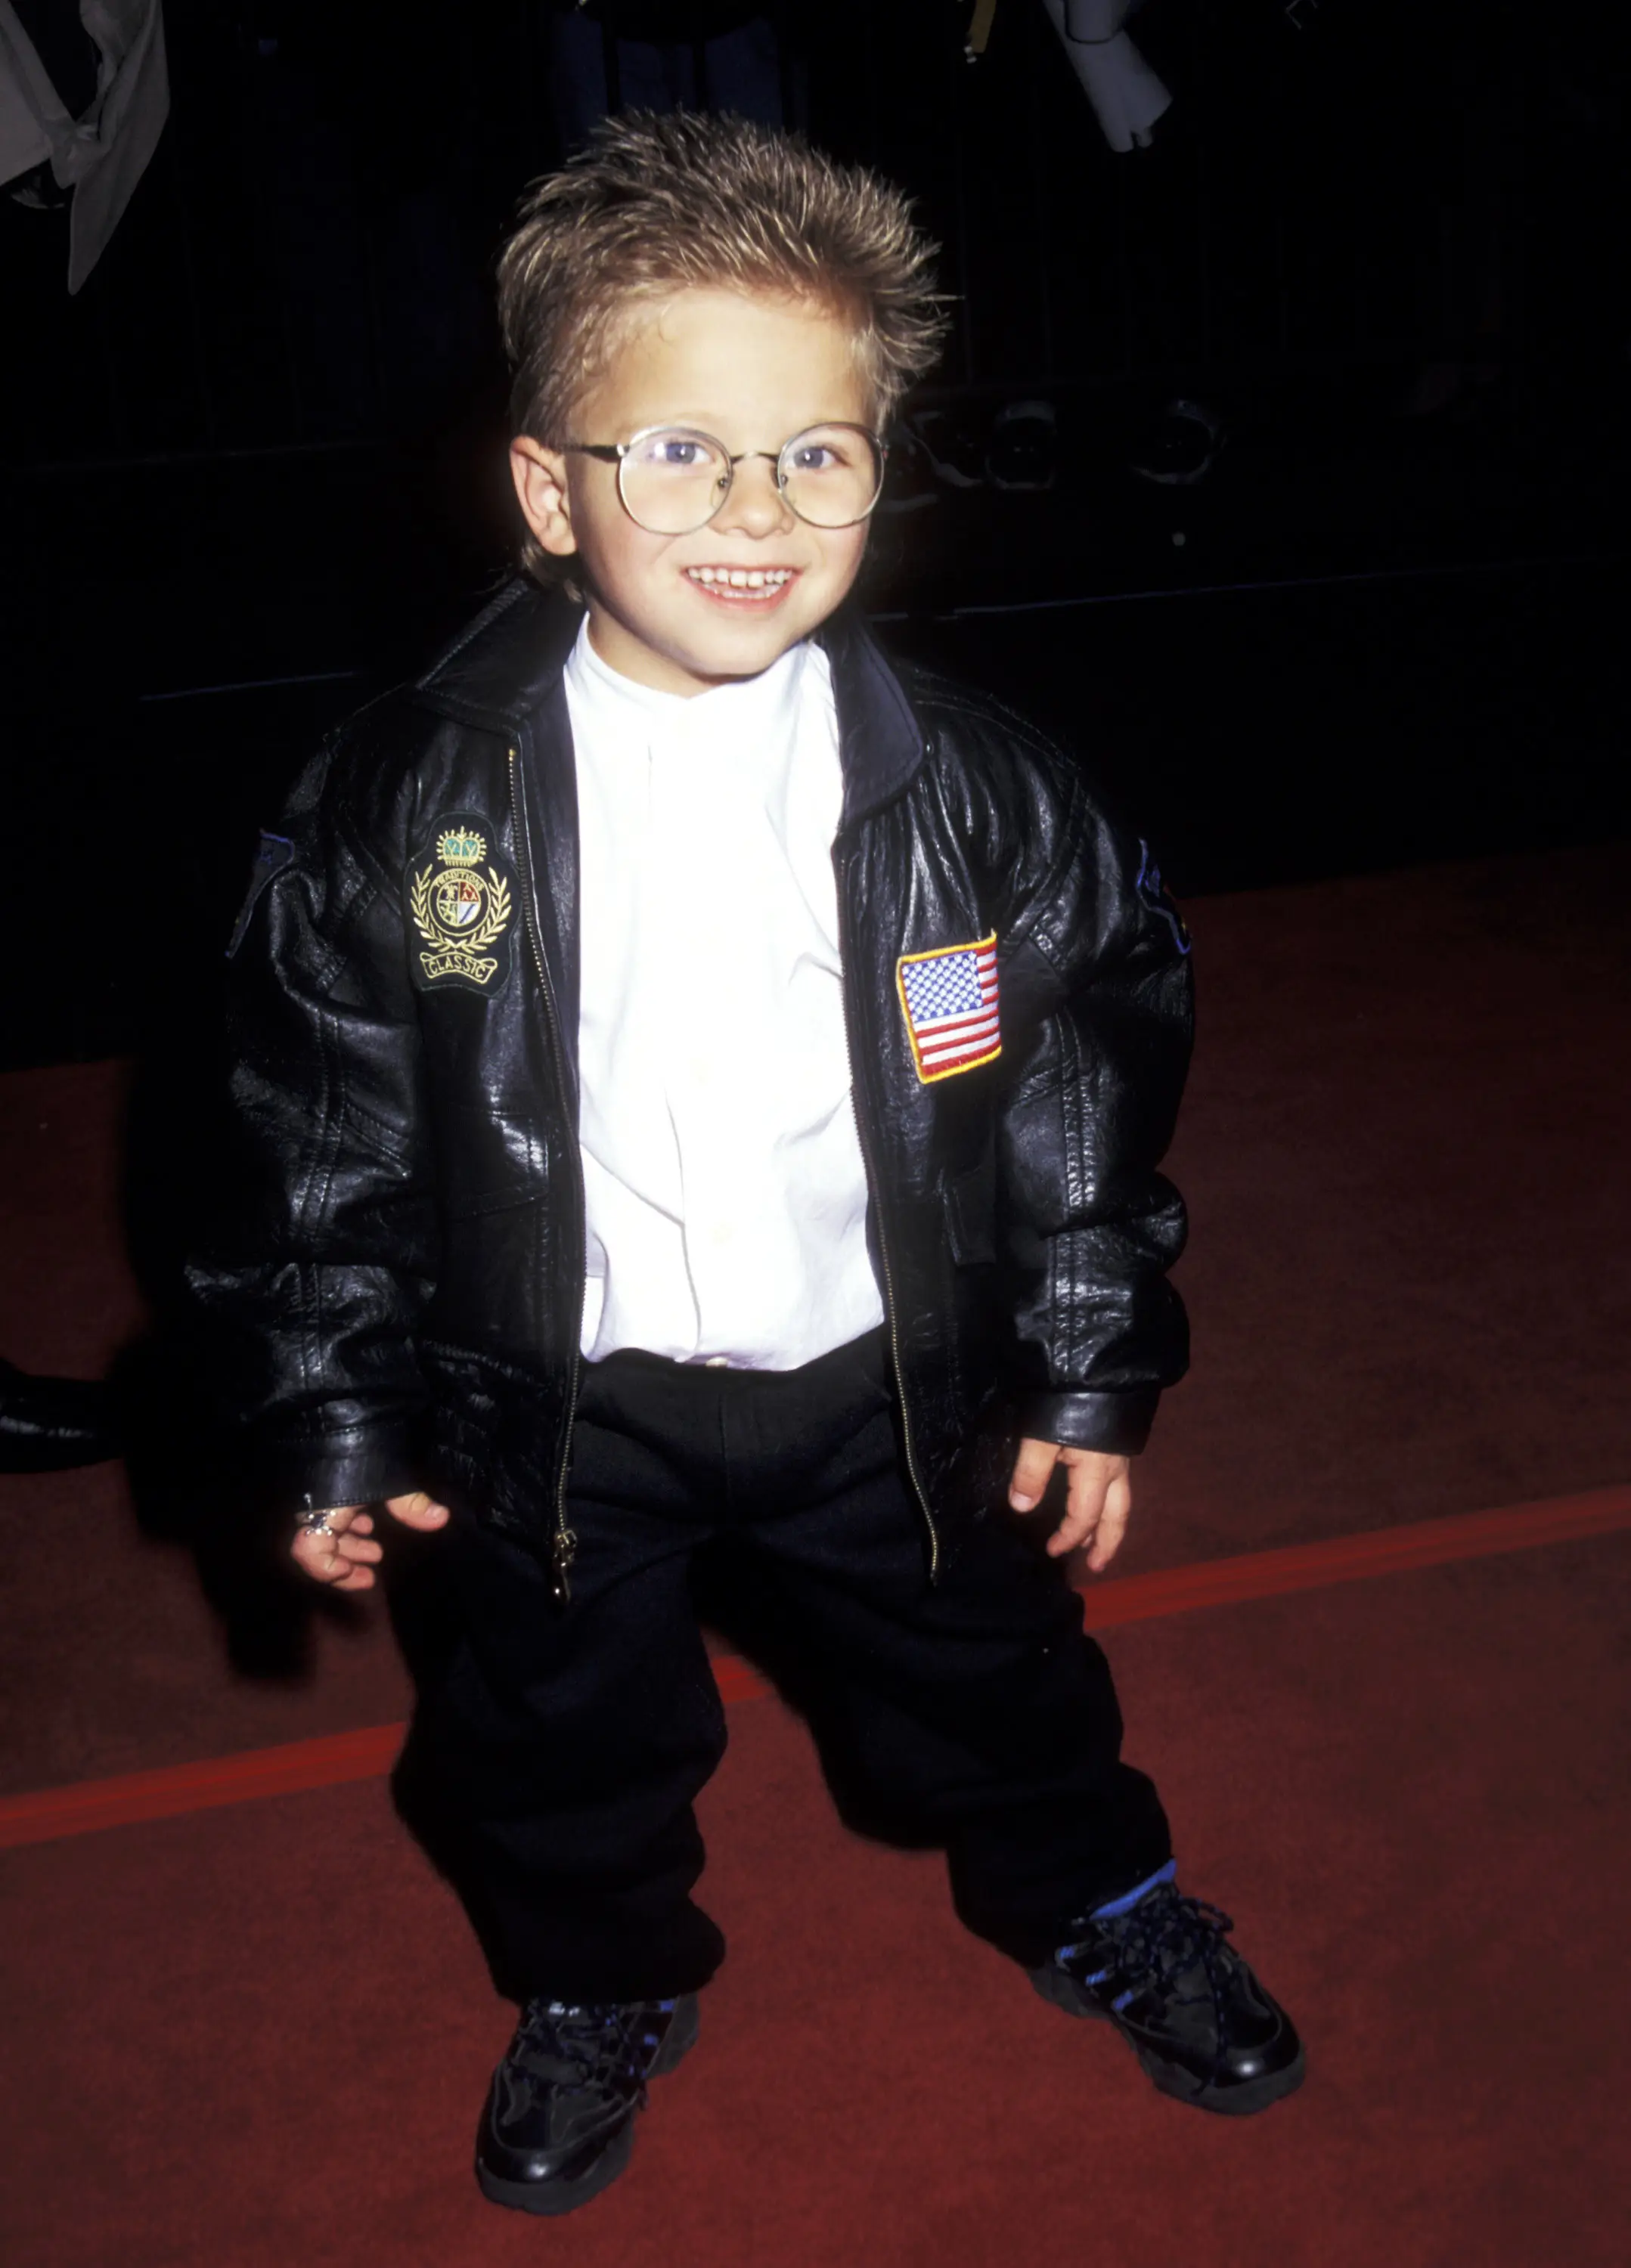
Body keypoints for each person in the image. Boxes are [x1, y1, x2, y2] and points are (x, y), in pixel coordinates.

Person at [189, 109, 1303, 2219]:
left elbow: (1081, 1069)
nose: (753, 504)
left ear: (881, 474)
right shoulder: (404, 801)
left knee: (993, 1675)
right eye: (677, 449)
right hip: (556, 1399)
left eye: (814, 449)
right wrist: (332, 1402)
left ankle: (1101, 1892)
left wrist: (1083, 1357)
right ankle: (598, 1978)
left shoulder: (974, 788)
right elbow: (313, 1114)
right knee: (554, 1734)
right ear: (546, 489)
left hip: (883, 1379)